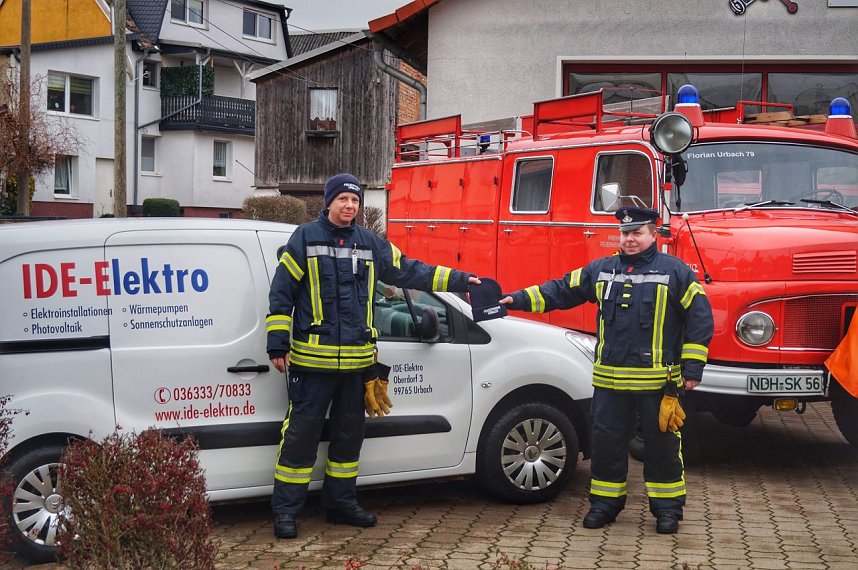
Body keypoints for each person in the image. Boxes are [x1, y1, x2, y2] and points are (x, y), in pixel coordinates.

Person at [266, 173, 480, 539]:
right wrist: (277, 343)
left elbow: (412, 271)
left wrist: (460, 281)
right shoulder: (304, 237)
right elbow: (281, 293)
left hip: (357, 364)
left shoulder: (370, 244)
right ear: (329, 202)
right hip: (312, 364)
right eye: (343, 200)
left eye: (355, 202)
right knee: (300, 438)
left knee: (350, 438)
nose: (350, 207)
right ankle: (286, 511)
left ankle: (340, 505)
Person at [499, 206, 713, 535]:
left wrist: (693, 366)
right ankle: (605, 505)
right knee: (606, 446)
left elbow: (700, 318)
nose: (629, 239)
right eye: (625, 233)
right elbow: (561, 290)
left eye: (637, 233)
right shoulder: (603, 270)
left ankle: (668, 509)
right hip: (609, 385)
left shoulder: (676, 272)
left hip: (658, 387)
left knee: (662, 448)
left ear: (653, 234)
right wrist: (518, 299)